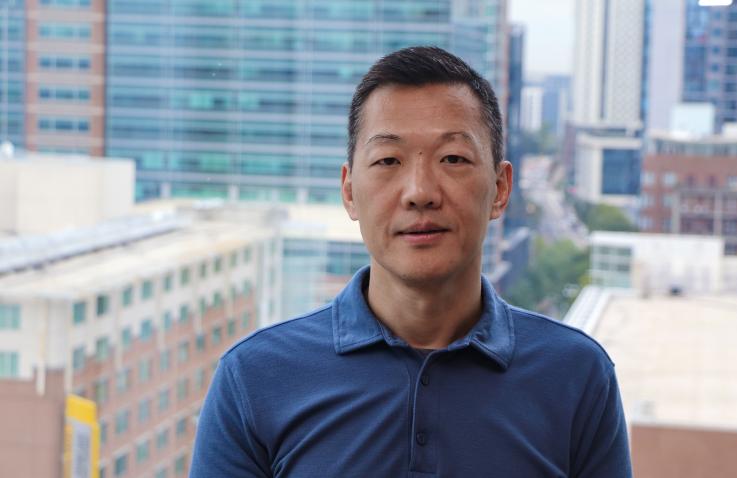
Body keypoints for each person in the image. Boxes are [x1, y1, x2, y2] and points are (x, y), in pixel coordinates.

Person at [190, 46, 632, 478]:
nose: (420, 191)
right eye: (388, 160)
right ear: (349, 191)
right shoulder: (254, 379)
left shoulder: (577, 376)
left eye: (453, 158)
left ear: (499, 188)